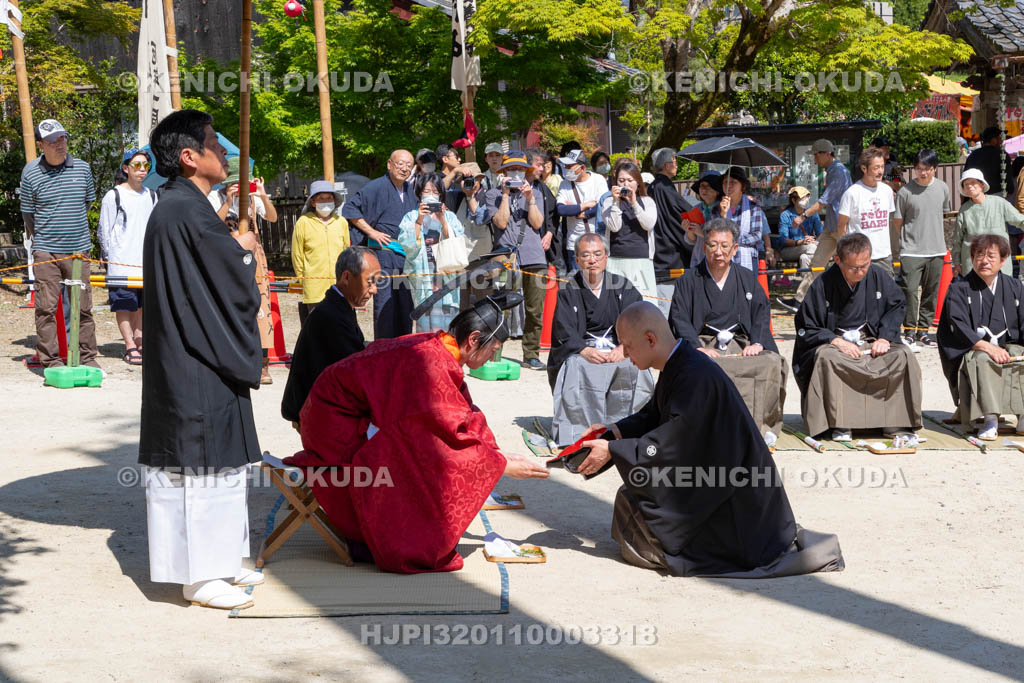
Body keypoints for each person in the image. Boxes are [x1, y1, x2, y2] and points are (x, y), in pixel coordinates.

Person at [574, 301, 845, 578]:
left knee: (637, 517)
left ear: (650, 339)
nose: (624, 354)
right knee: (631, 500)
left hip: (736, 502)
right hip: (716, 478)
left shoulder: (694, 375)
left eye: (627, 346)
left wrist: (613, 450)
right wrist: (613, 433)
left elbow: (670, 443)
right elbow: (653, 415)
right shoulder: (680, 363)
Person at [285, 293, 550, 574]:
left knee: (416, 447)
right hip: (332, 421)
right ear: (473, 340)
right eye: (492, 350)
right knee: (413, 456)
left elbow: (464, 412)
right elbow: (443, 436)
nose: (490, 358)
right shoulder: (433, 363)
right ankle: (378, 541)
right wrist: (500, 464)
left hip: (342, 410)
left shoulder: (440, 346)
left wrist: (495, 454)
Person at [140, 109, 265, 611]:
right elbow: (227, 276)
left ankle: (222, 561)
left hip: (197, 351)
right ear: (190, 156)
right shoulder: (184, 210)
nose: (225, 152)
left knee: (219, 465)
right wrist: (245, 251)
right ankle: (198, 576)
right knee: (199, 468)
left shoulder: (183, 206)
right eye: (215, 142)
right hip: (195, 356)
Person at [792, 232, 922, 441]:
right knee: (827, 358)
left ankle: (892, 421)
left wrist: (885, 337)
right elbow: (806, 324)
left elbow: (897, 305)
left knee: (902, 355)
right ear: (838, 260)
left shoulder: (878, 276)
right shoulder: (823, 284)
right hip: (835, 343)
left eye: (865, 265)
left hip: (870, 339)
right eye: (854, 267)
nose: (861, 272)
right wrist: (835, 341)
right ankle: (840, 423)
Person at [669, 218, 788, 440]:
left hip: (741, 342)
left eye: (725, 246)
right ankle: (705, 428)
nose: (718, 251)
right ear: (705, 247)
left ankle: (760, 426)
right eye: (713, 245)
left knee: (770, 362)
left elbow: (762, 311)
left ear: (734, 249)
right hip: (703, 342)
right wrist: (696, 347)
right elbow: (679, 318)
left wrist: (757, 343)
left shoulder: (746, 278)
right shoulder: (688, 280)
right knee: (696, 365)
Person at [547, 233, 654, 443]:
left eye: (597, 254)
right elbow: (563, 328)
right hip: (583, 352)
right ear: (577, 260)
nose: (592, 260)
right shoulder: (568, 289)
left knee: (634, 367)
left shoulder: (622, 285)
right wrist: (583, 350)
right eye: (585, 255)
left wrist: (625, 348)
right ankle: (579, 434)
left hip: (618, 350)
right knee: (575, 366)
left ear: (606, 257)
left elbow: (639, 319)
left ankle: (629, 428)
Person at [19, 118, 100, 369]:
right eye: (53, 140)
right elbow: (28, 214)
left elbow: (86, 203)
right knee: (46, 307)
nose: (60, 144)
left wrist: (70, 229)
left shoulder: (83, 168)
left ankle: (88, 359)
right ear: (42, 144)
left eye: (63, 138)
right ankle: (50, 361)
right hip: (46, 250)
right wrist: (44, 239)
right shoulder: (30, 172)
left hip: (78, 249)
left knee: (83, 307)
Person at [937, 234, 1024, 440]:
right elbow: (957, 327)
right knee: (984, 360)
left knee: (1020, 355)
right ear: (972, 258)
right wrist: (985, 346)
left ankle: (1023, 416)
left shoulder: (1015, 287)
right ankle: (990, 418)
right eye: (978, 256)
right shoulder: (958, 289)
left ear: (1003, 260)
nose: (984, 261)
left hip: (1008, 346)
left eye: (991, 257)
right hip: (973, 349)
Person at [281, 247, 379, 426]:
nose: (374, 290)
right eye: (370, 282)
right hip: (315, 415)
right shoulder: (332, 316)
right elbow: (353, 368)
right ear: (347, 277)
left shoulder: (339, 307)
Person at [208, 156, 279, 383]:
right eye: (234, 183)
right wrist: (228, 203)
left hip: (254, 257)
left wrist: (262, 195)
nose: (238, 188)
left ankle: (263, 363)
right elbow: (210, 224)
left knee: (261, 308)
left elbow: (272, 217)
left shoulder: (252, 199)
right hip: (226, 257)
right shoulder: (214, 197)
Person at [342, 149, 419, 338]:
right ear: (389, 164)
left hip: (405, 255)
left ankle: (403, 345)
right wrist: (372, 232)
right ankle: (384, 348)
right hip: (384, 254)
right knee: (386, 303)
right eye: (400, 164)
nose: (404, 169)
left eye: (409, 165)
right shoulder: (375, 187)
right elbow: (350, 209)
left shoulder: (410, 190)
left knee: (405, 303)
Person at [483, 152, 548, 369]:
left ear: (526, 172)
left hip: (533, 256)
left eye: (520, 170)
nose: (516, 174)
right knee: (502, 306)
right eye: (511, 170)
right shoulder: (492, 194)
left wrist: (529, 199)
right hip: (505, 255)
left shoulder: (535, 193)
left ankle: (531, 353)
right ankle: (494, 352)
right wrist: (504, 194)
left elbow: (538, 224)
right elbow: (500, 223)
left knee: (534, 308)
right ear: (503, 173)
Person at [98, 148, 157, 365]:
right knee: (124, 304)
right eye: (137, 165)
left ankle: (140, 341)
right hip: (120, 260)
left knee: (141, 306)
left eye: (146, 166)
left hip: (145, 261)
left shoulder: (152, 195)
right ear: (126, 168)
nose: (142, 170)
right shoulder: (113, 195)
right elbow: (104, 229)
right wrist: (107, 257)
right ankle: (129, 345)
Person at [784, 139, 853, 311]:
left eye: (816, 155)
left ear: (826, 154)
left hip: (841, 227)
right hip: (831, 227)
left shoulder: (838, 171)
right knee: (816, 263)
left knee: (848, 264)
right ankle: (800, 300)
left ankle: (850, 301)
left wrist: (802, 217)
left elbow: (823, 201)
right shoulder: (832, 171)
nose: (814, 159)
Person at [892, 149, 950, 347]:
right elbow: (898, 221)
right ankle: (909, 330)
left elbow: (942, 214)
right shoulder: (905, 192)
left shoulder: (943, 188)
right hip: (910, 250)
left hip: (936, 249)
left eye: (926, 169)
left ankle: (923, 331)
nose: (922, 172)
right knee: (908, 290)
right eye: (918, 168)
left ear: (934, 168)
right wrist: (907, 240)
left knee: (930, 292)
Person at [398, 172, 466, 332]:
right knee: (425, 319)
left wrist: (443, 220)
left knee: (447, 318)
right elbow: (407, 245)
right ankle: (426, 355)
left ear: (442, 195)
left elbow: (457, 244)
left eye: (435, 192)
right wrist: (419, 220)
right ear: (419, 193)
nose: (431, 195)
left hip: (445, 274)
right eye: (427, 192)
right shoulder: (411, 216)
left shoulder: (450, 217)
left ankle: (445, 356)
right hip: (423, 274)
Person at [291, 180, 349, 326]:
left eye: (329, 198)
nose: (325, 202)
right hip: (314, 287)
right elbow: (297, 255)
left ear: (334, 201)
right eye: (321, 198)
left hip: (339, 285)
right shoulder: (303, 222)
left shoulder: (341, 222)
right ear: (313, 202)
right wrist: (303, 279)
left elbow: (346, 252)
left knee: (339, 326)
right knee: (317, 327)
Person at [952, 168, 1024, 278]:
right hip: (973, 263)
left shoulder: (999, 203)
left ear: (981, 184)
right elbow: (958, 239)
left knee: (1001, 292)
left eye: (973, 183)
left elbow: (1019, 220)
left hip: (999, 261)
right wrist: (957, 263)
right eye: (966, 184)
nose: (970, 186)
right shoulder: (964, 210)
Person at [647, 147, 694, 314]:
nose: (676, 165)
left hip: (658, 247)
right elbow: (681, 214)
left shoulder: (654, 186)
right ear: (667, 165)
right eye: (674, 161)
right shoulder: (664, 187)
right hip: (670, 252)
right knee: (671, 305)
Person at [602, 162, 658, 301]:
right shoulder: (608, 202)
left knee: (645, 302)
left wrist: (634, 204)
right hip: (616, 259)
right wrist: (616, 202)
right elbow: (614, 226)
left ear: (638, 182)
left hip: (641, 259)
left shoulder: (648, 201)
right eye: (621, 180)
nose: (625, 184)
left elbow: (649, 224)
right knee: (617, 301)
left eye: (630, 180)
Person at [836, 147, 896, 275]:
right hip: (859, 258)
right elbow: (842, 226)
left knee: (887, 293)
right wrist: (848, 253)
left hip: (884, 255)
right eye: (876, 168)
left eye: (882, 167)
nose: (880, 171)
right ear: (864, 168)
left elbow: (890, 223)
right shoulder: (851, 193)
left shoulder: (887, 191)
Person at [705, 166, 767, 272]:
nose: (728, 185)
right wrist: (723, 216)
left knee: (747, 288)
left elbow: (756, 236)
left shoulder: (753, 207)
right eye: (725, 182)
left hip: (748, 260)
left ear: (742, 186)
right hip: (721, 259)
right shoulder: (716, 209)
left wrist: (732, 241)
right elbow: (711, 235)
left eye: (733, 182)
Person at [556, 149, 609, 273]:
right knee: (577, 283)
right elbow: (561, 209)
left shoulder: (598, 180)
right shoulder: (565, 184)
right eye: (565, 165)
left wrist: (584, 213)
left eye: (570, 166)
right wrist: (585, 205)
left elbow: (602, 205)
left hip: (597, 241)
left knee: (599, 281)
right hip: (574, 243)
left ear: (582, 167)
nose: (566, 168)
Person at [774, 186, 821, 311]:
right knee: (810, 248)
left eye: (807, 197)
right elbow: (783, 240)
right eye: (802, 197)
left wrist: (816, 242)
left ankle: (804, 297)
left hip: (808, 250)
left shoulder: (812, 214)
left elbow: (821, 235)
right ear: (794, 200)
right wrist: (801, 242)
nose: (806, 200)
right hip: (789, 250)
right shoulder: (786, 215)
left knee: (806, 258)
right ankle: (816, 293)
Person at [964, 126, 1015, 197]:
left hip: (976, 196)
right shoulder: (1002, 155)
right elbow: (1008, 180)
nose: (1001, 141)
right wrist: (1009, 191)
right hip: (997, 196)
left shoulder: (973, 155)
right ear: (993, 140)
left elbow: (966, 177)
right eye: (1000, 138)